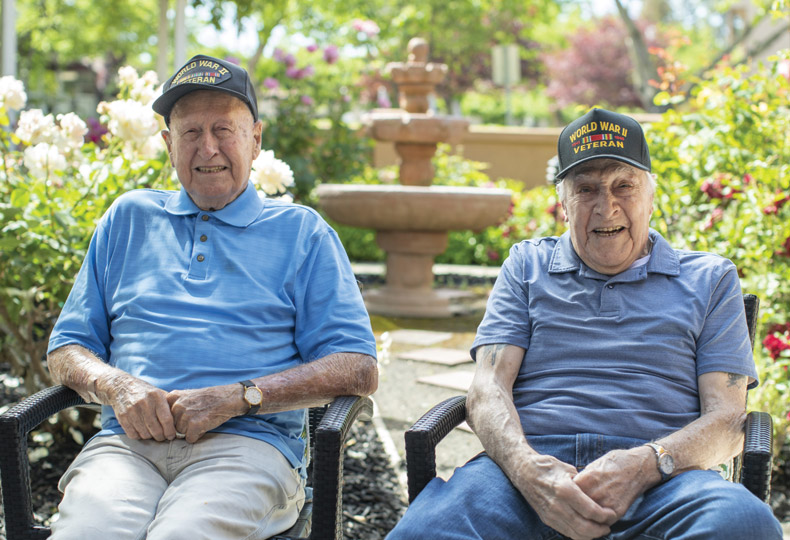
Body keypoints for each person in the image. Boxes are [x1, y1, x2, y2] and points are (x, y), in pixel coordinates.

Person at [387, 108, 782, 540]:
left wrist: (647, 463)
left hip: (666, 479)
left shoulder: (709, 279)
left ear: (651, 197)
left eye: (623, 186)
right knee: (425, 532)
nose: (605, 205)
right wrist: (526, 469)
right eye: (586, 189)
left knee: (747, 526)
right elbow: (487, 388)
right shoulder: (526, 266)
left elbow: (727, 419)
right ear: (563, 203)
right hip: (526, 475)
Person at [45, 54, 378, 540]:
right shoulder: (128, 218)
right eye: (190, 132)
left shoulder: (301, 232)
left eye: (224, 129)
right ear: (167, 144)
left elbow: (358, 366)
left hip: (247, 449)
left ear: (256, 139)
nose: (208, 148)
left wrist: (241, 397)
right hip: (125, 448)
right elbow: (67, 349)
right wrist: (119, 387)